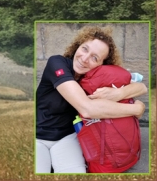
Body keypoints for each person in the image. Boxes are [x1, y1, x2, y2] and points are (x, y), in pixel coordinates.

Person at [35, 26, 147, 173]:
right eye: (84, 49)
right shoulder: (57, 63)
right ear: (77, 46)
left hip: (67, 137)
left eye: (95, 58)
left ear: (102, 64)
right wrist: (136, 109)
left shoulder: (94, 77)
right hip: (38, 137)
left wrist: (119, 93)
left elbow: (141, 87)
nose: (85, 59)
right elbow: (87, 109)